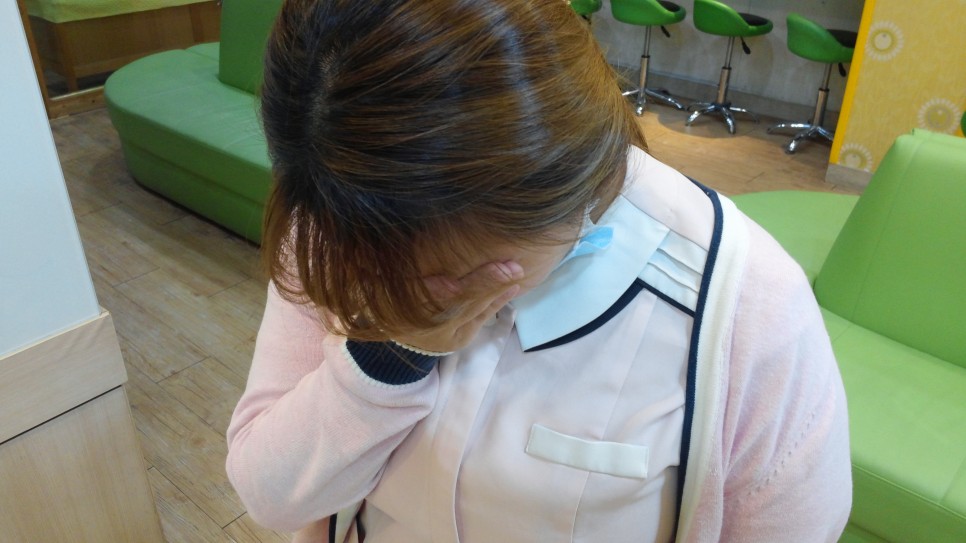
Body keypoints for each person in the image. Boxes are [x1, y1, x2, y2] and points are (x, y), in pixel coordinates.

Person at [225, 0, 853, 541]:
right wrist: (391, 351)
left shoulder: (744, 311)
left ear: (565, 195)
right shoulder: (339, 217)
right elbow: (271, 494)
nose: (414, 289)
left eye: (453, 271)